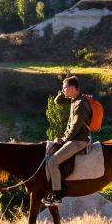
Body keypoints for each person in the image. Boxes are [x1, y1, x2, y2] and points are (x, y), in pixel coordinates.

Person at [43, 75, 92, 206]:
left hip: (78, 141)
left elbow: (75, 128)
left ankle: (57, 196)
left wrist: (63, 140)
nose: (63, 90)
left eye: (64, 88)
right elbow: (57, 102)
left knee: (52, 162)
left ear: (72, 88)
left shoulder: (81, 104)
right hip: (74, 138)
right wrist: (63, 91)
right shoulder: (74, 100)